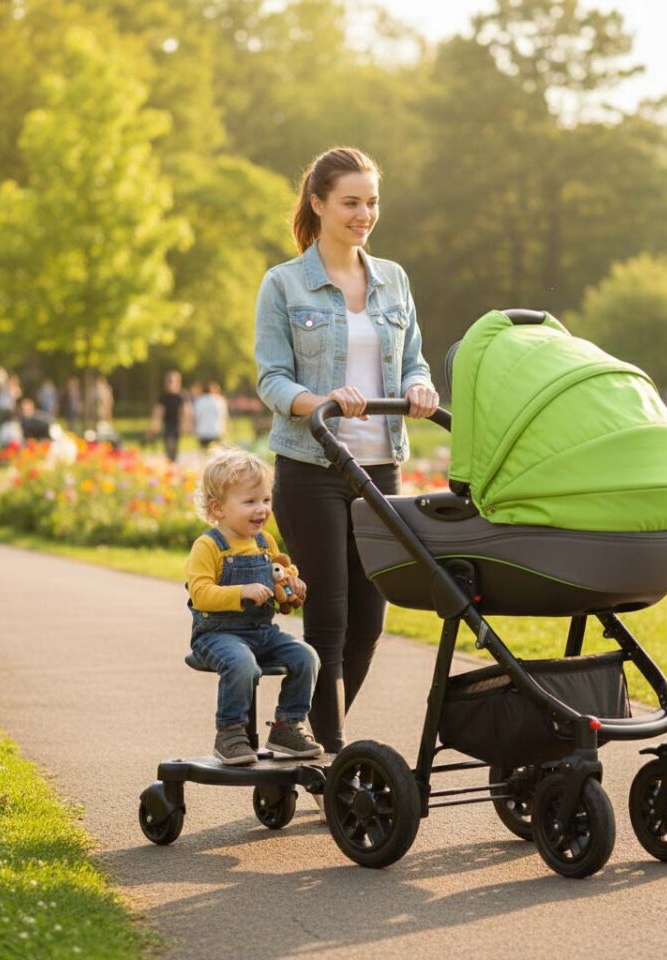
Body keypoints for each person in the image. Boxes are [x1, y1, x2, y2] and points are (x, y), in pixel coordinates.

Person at [254, 146, 439, 755]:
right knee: (329, 619)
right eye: (351, 202)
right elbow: (272, 379)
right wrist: (320, 399)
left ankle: (294, 729)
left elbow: (412, 356)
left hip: (378, 467)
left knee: (371, 620)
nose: (364, 215)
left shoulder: (394, 278)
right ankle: (332, 758)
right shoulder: (284, 283)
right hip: (312, 468)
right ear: (318, 203)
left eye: (372, 202)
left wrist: (418, 384)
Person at [186, 448, 323, 765]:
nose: (261, 510)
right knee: (242, 664)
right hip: (217, 636)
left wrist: (290, 591)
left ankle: (287, 724)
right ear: (218, 508)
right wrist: (241, 591)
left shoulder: (265, 544)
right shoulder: (208, 546)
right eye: (250, 502)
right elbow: (201, 593)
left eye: (265, 500)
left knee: (306, 657)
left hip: (262, 632)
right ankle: (230, 734)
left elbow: (278, 582)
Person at [150, 370, 188, 463]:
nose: (171, 383)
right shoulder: (163, 397)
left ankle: (173, 462)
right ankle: (169, 462)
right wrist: (154, 425)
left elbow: (185, 411)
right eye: (169, 381)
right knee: (167, 444)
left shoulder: (181, 396)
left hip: (177, 424)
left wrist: (184, 424)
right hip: (167, 424)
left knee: (175, 446)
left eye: (173, 381)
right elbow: (158, 412)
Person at [192, 380, 229, 450]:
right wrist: (225, 428)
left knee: (204, 454)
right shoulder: (219, 400)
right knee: (218, 454)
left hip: (202, 431)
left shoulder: (199, 401)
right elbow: (224, 416)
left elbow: (196, 416)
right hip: (216, 430)